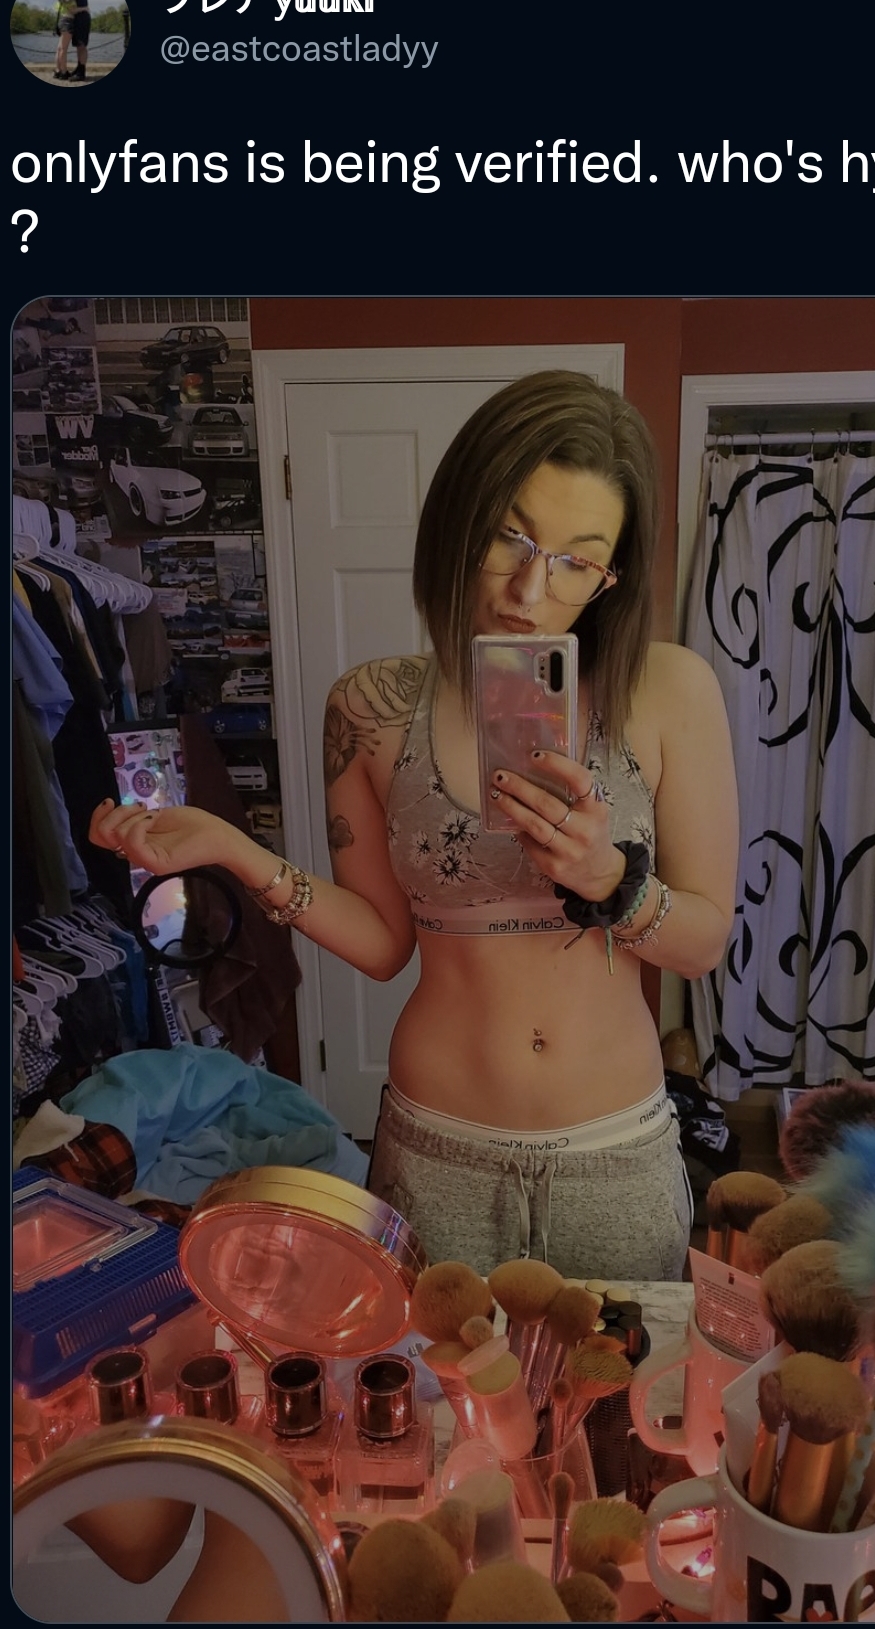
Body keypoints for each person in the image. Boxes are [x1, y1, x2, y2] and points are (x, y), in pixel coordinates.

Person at [90, 372, 739, 1280]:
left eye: (577, 560)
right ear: (458, 517)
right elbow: (385, 942)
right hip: (438, 1152)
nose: (530, 587)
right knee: (434, 1376)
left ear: (612, 575)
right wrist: (235, 851)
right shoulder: (370, 707)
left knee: (617, 1374)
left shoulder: (671, 690)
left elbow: (703, 941)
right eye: (510, 536)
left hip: (614, 1152)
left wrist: (614, 883)